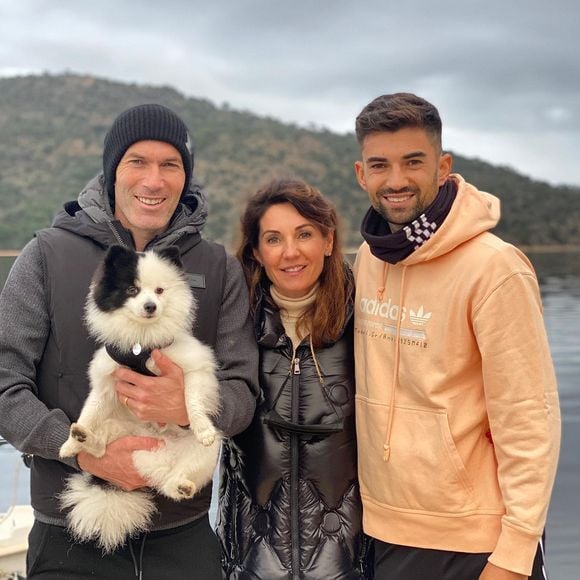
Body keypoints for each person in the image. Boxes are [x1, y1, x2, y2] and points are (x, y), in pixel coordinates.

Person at [0, 103, 259, 579]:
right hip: (69, 533)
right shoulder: (46, 256)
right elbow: (4, 385)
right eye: (137, 161)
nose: (154, 181)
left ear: (185, 176)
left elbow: (244, 391)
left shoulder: (219, 268)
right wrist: (80, 447)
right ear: (112, 170)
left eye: (170, 164)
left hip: (183, 534)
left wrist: (187, 406)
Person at [351, 92, 561, 580]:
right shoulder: (368, 258)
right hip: (384, 528)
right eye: (380, 165)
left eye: (413, 162)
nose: (396, 180)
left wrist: (515, 552)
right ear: (362, 174)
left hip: (474, 540)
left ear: (442, 167)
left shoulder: (494, 268)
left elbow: (528, 418)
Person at [216, 179, 371, 579]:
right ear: (255, 251)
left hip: (349, 562)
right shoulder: (231, 326)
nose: (290, 252)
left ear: (329, 240)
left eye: (304, 234)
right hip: (251, 562)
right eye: (273, 239)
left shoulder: (369, 320)